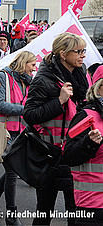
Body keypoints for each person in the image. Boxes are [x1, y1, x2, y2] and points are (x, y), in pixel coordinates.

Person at [23, 32, 88, 225]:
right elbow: (30, 114)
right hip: (50, 154)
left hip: (74, 151)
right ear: (63, 54)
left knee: (74, 210)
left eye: (84, 51)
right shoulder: (43, 79)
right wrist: (59, 101)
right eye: (78, 51)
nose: (83, 55)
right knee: (44, 211)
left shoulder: (81, 73)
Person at [0, 51, 36, 225]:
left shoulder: (27, 82)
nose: (34, 68)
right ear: (23, 63)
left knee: (12, 170)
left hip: (21, 131)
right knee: (12, 172)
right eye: (32, 64)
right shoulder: (3, 76)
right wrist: (25, 110)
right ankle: (11, 214)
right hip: (4, 130)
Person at [64, 66, 103, 225]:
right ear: (99, 87)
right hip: (92, 204)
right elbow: (69, 156)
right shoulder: (86, 115)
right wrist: (89, 143)